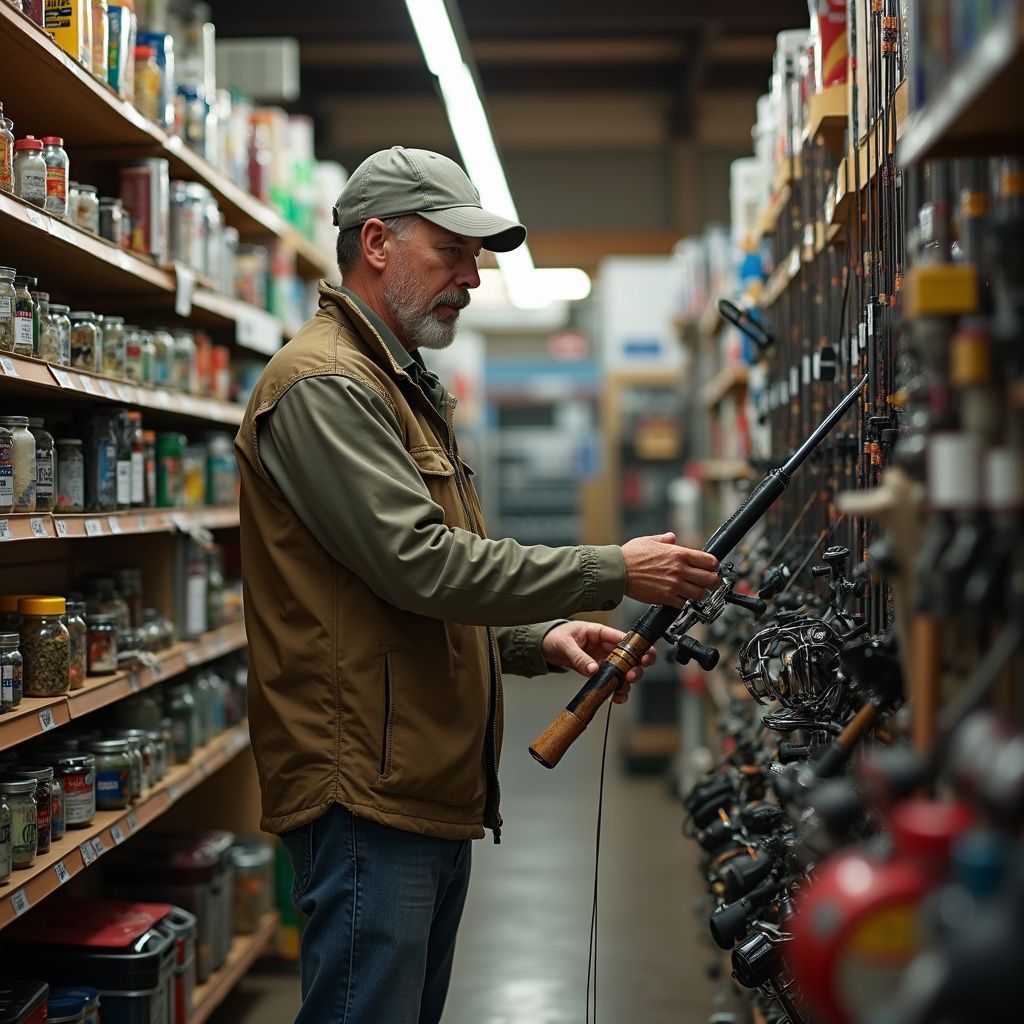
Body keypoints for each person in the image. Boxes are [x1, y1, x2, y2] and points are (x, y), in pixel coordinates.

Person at [234, 145, 719, 1024]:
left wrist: (538, 639)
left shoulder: (400, 387)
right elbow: (420, 564)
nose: (474, 274)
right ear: (376, 242)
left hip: (416, 777)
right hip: (363, 790)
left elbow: (397, 594)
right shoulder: (324, 387)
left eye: (477, 254)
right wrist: (612, 569)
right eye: (453, 250)